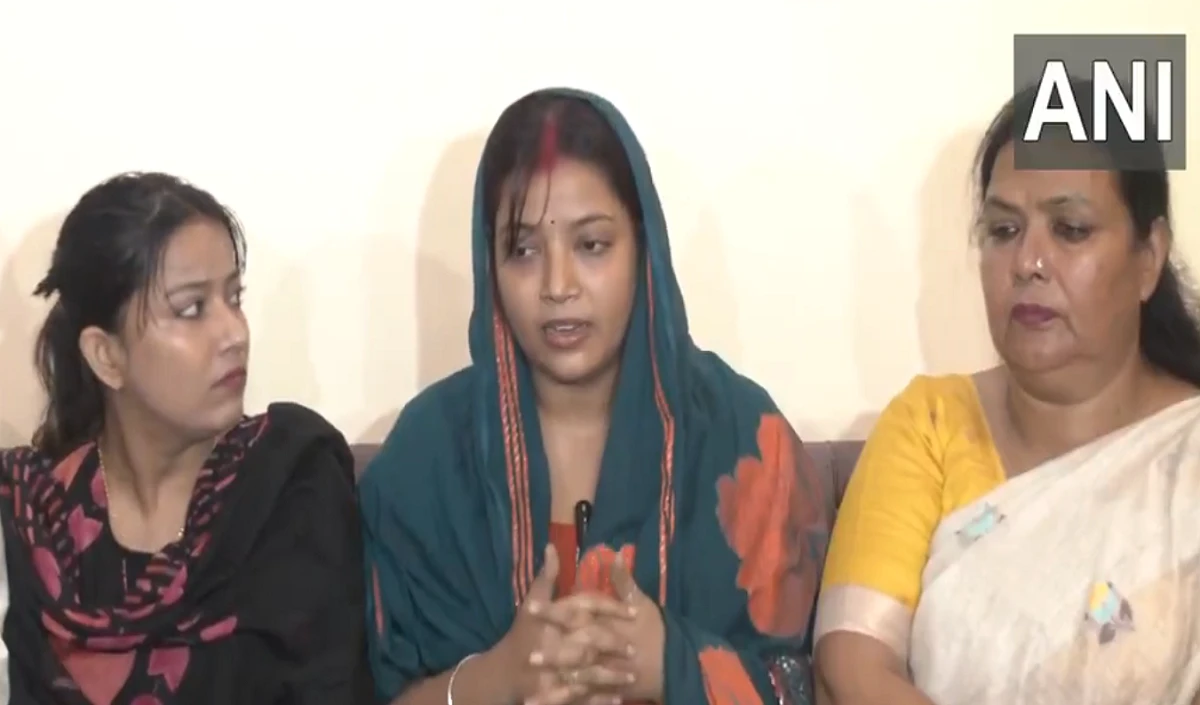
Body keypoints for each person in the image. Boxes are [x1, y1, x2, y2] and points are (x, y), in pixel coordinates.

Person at [359, 88, 833, 705]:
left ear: (643, 247)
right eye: (523, 250)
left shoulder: (742, 438)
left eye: (591, 245)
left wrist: (675, 666)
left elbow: (805, 685)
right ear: (489, 263)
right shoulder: (427, 461)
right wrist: (496, 678)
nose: (558, 286)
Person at [814, 79, 1200, 705]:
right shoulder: (930, 425)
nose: (1027, 262)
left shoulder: (1186, 453)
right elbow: (852, 664)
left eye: (1069, 229)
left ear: (1149, 258)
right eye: (1003, 230)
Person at [0, 172, 374, 704]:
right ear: (106, 356)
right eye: (192, 308)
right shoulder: (41, 521)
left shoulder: (288, 479)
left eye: (234, 297)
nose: (235, 333)